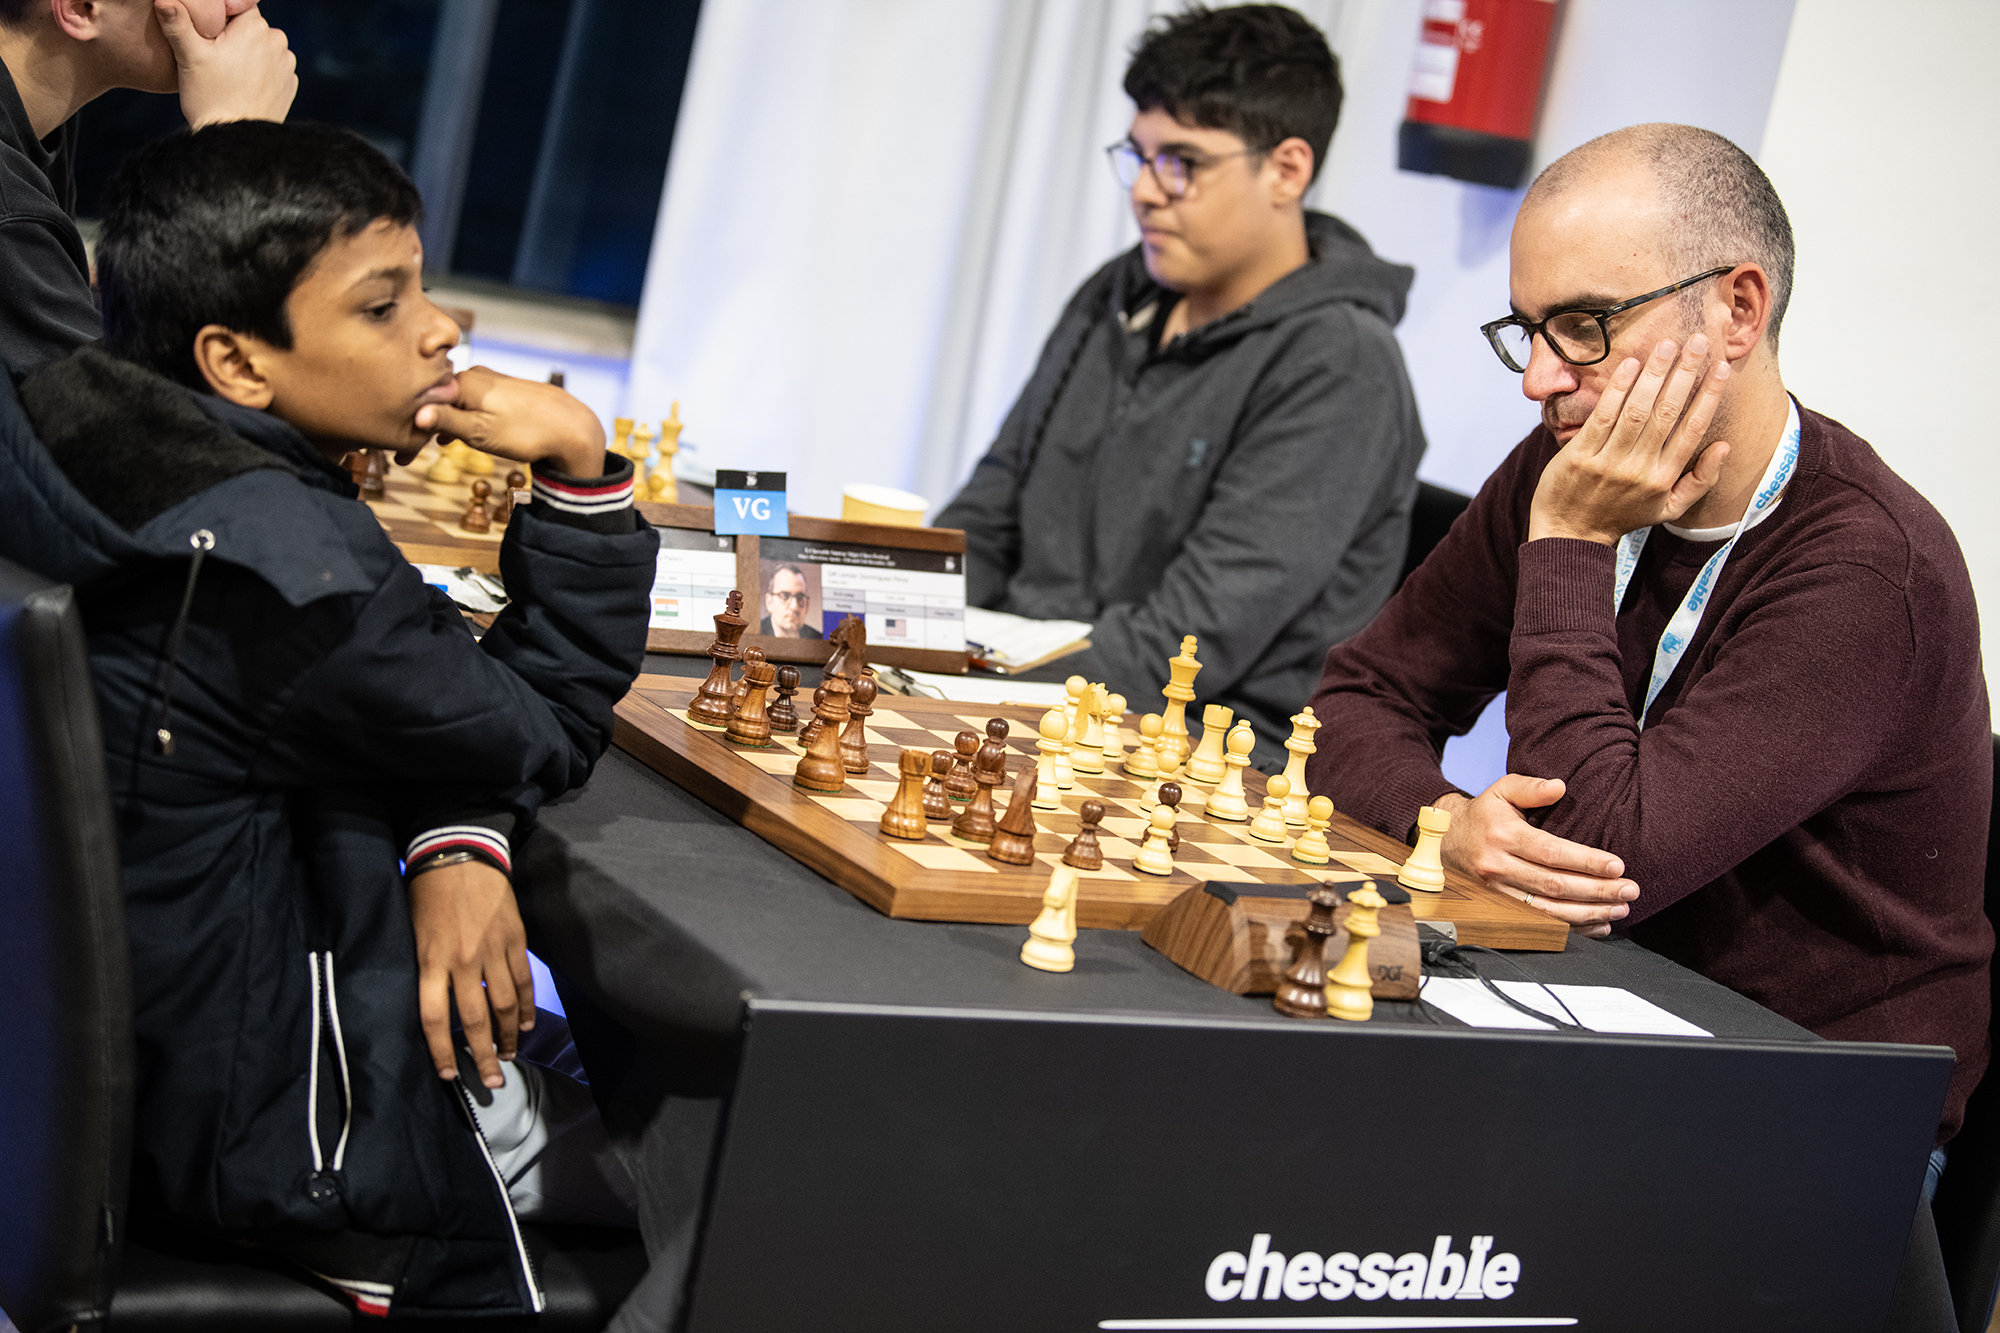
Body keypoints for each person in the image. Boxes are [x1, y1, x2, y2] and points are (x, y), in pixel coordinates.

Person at [0, 121, 658, 1315]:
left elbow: (379, 714)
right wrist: (579, 472)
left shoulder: (72, 437)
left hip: (95, 1100)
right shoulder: (298, 573)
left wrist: (453, 836)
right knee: (694, 1161)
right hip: (292, 1147)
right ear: (239, 366)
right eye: (378, 306)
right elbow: (535, 726)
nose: (439, 329)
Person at [1304, 124, 1991, 1157]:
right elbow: (1352, 699)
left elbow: (1595, 851)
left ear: (1736, 309)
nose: (1538, 379)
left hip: (1803, 1106)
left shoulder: (1864, 569)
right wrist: (1440, 820)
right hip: (1590, 1012)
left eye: (1583, 325)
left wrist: (1573, 540)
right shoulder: (1559, 467)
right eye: (1527, 329)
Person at [936, 3, 1424, 753]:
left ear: (1288, 170)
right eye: (1139, 156)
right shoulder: (1119, 291)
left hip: (1196, 749)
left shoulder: (1341, 365)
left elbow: (1184, 645)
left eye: (1183, 163)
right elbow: (991, 513)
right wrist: (880, 620)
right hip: (1024, 692)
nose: (1144, 190)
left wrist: (958, 700)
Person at [0, 0, 295, 369]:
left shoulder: (42, 121)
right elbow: (115, 412)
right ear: (81, 8)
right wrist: (235, 141)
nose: (243, 3)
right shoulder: (9, 211)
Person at [760, 561, 822, 638]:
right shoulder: (755, 633)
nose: (794, 606)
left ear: (807, 606)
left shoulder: (818, 638)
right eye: (785, 596)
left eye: (799, 598)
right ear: (769, 602)